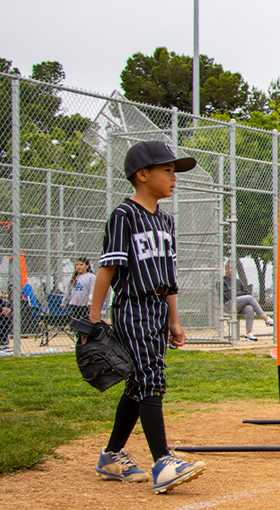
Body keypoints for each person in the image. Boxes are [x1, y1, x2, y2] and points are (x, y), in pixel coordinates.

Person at [89, 140, 205, 494]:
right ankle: (163, 462)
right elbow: (108, 268)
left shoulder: (166, 221)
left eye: (174, 172)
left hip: (156, 309)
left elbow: (167, 277)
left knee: (139, 383)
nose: (174, 178)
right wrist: (93, 319)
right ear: (143, 174)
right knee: (151, 378)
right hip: (132, 306)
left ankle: (111, 456)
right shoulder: (124, 216)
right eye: (167, 171)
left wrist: (174, 319)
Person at [222, 262, 274, 342]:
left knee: (249, 308)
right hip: (228, 305)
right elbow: (225, 295)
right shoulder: (223, 281)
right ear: (226, 269)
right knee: (250, 298)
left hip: (239, 305)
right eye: (229, 268)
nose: (231, 270)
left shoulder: (238, 281)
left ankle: (248, 334)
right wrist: (238, 294)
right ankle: (266, 319)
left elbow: (245, 292)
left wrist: (235, 293)